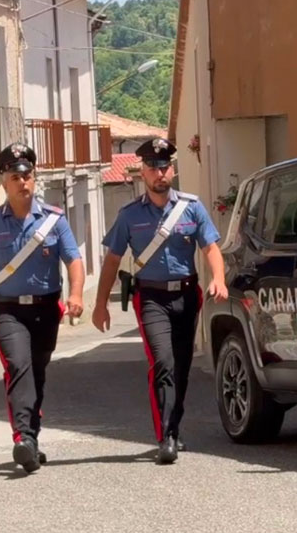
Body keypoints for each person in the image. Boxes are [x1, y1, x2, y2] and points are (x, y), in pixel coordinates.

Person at [91, 136, 228, 465]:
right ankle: (165, 435)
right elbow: (112, 260)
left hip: (186, 293)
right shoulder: (128, 215)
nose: (159, 173)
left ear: (173, 170)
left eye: (164, 166)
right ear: (142, 172)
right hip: (150, 295)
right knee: (162, 362)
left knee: (181, 366)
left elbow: (210, 248)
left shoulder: (191, 207)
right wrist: (99, 304)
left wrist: (218, 279)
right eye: (152, 167)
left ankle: (175, 427)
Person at [0, 142, 85, 474]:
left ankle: (32, 440)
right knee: (19, 366)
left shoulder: (54, 220)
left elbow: (73, 260)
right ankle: (23, 438)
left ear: (34, 177)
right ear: (4, 183)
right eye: (15, 176)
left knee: (36, 374)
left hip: (46, 310)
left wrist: (77, 295)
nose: (22, 182)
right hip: (7, 311)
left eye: (27, 175)